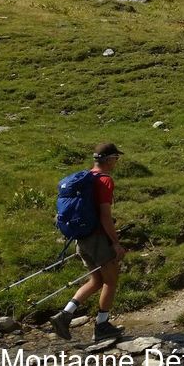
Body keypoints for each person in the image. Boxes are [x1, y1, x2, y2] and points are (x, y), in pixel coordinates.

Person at [49, 142, 127, 342]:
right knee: (111, 281)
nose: (116, 162)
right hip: (98, 238)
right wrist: (116, 243)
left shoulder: (85, 178)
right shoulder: (104, 181)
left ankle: (65, 315)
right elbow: (105, 216)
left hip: (81, 238)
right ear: (109, 159)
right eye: (116, 158)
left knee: (97, 280)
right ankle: (102, 326)